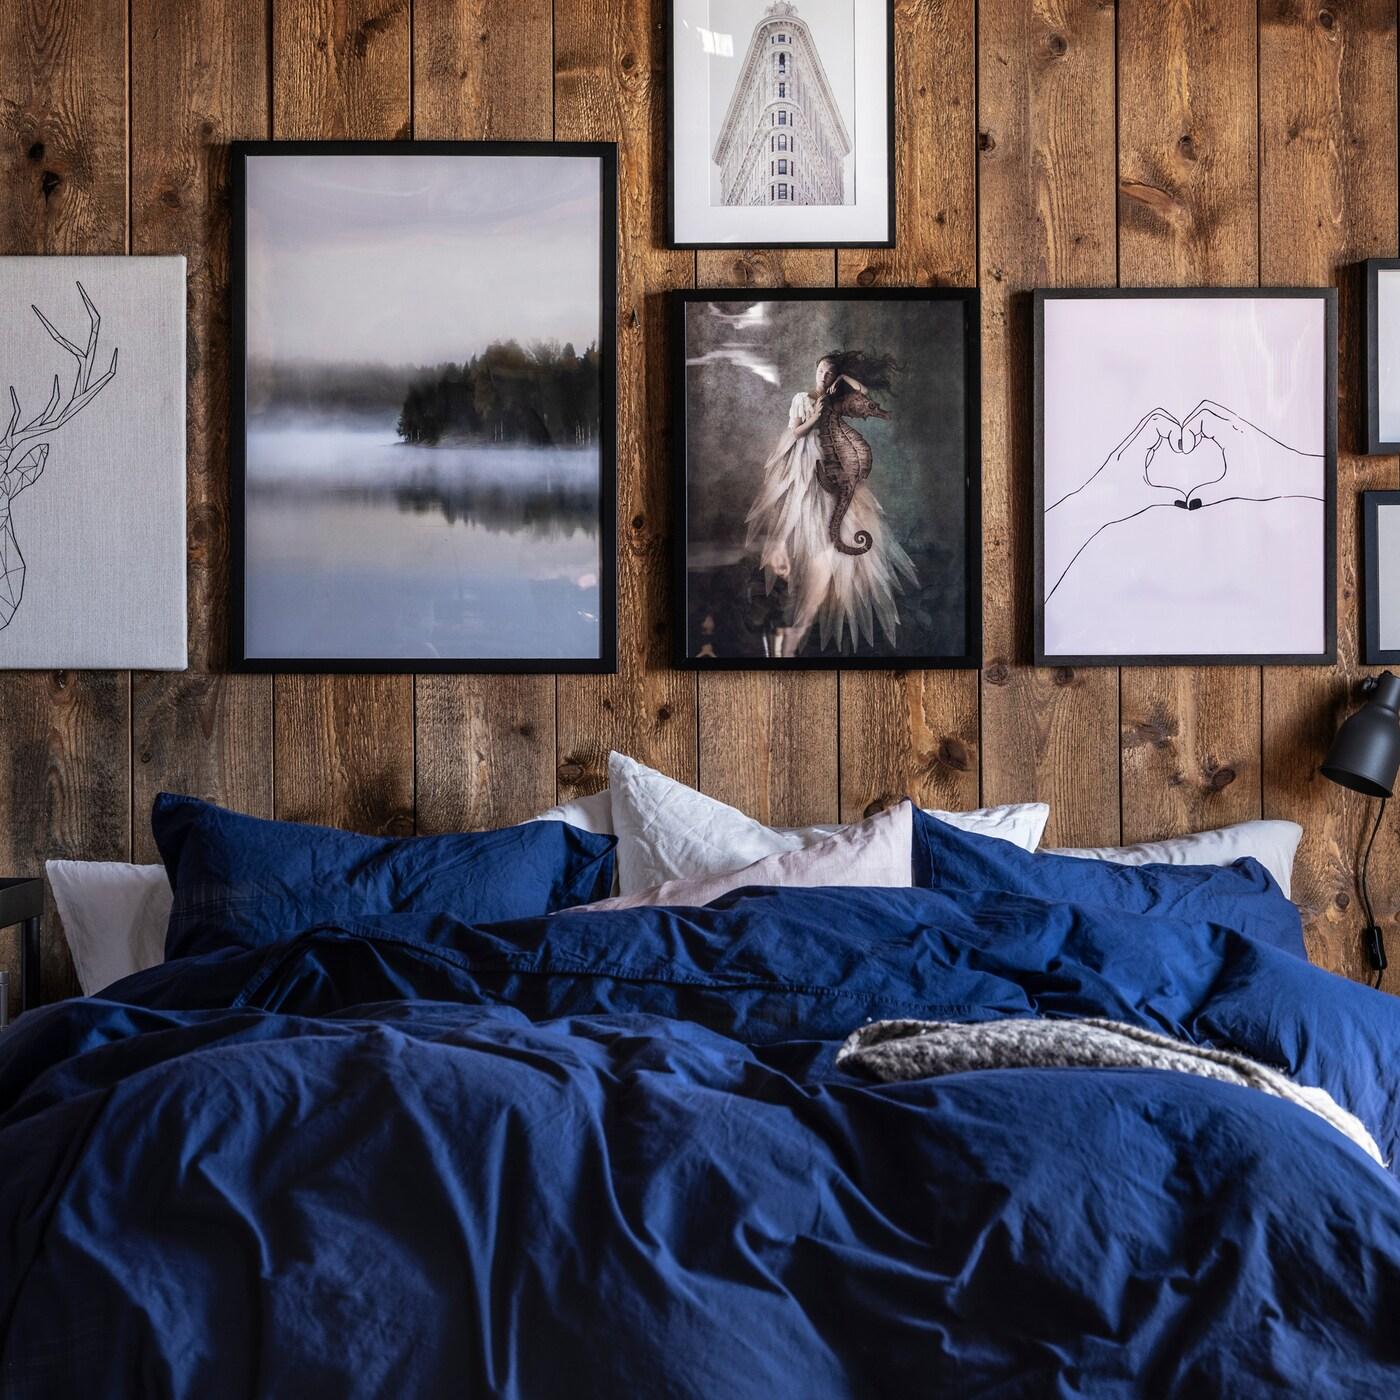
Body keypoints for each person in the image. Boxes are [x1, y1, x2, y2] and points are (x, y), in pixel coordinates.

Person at [744, 351, 917, 656]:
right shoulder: (802, 398)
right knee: (805, 520)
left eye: (829, 373)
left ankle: (819, 596)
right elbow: (796, 431)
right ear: (815, 372)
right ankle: (794, 606)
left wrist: (843, 378)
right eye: (821, 371)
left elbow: (862, 392)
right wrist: (816, 415)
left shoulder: (836, 398)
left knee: (842, 522)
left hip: (832, 464)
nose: (823, 377)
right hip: (806, 464)